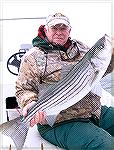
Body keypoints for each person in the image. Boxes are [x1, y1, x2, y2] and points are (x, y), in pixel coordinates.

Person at [15, 13, 114, 150]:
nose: (59, 32)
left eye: (63, 28)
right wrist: (30, 102)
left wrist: (112, 54)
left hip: (93, 111)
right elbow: (24, 89)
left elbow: (101, 68)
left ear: (69, 30)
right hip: (60, 121)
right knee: (107, 145)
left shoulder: (81, 48)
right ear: (46, 30)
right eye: (54, 28)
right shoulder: (33, 56)